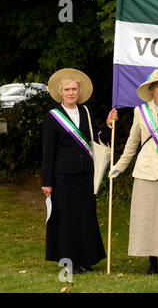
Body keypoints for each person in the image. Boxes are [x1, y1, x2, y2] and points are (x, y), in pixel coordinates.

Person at [109, 69, 158, 275]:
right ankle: (152, 262)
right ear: (152, 90)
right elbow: (132, 143)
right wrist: (119, 166)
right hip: (145, 173)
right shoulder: (140, 112)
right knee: (147, 219)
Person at [41, 68, 118, 274]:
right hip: (62, 177)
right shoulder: (53, 117)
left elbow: (95, 139)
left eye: (74, 89)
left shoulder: (86, 112)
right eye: (67, 89)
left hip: (85, 174)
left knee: (85, 217)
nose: (71, 92)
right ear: (61, 92)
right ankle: (70, 263)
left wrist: (109, 125)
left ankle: (86, 260)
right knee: (66, 220)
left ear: (79, 91)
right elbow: (48, 152)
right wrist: (46, 181)